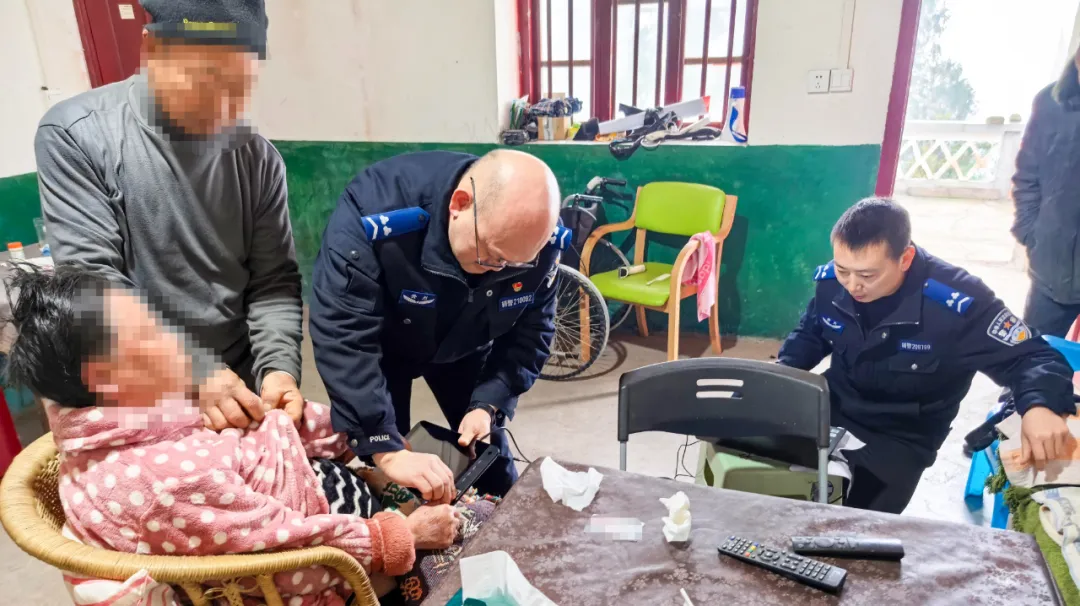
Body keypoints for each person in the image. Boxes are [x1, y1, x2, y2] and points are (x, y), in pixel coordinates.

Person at [2, 264, 462, 604]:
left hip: (335, 489)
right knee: (472, 530)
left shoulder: (134, 411)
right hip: (338, 565)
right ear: (106, 374)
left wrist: (370, 444)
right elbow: (290, 551)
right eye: (151, 329)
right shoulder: (162, 484)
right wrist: (401, 536)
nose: (174, 332)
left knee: (433, 472)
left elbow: (260, 434)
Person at [34, 0, 302, 433]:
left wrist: (278, 369)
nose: (220, 104)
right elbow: (93, 283)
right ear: (151, 49)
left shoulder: (258, 159)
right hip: (135, 391)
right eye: (202, 78)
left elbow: (273, 284)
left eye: (238, 84)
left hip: (235, 384)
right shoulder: (78, 135)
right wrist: (195, 370)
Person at [778, 198, 1074, 514]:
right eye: (843, 270)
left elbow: (1033, 356)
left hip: (901, 434)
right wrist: (778, 374)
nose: (852, 285)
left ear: (905, 258)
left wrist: (1041, 406)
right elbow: (811, 334)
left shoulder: (958, 304)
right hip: (832, 407)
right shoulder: (832, 283)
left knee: (856, 520)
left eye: (867, 275)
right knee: (766, 482)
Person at [310, 150, 562, 503]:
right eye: (492, 256)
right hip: (384, 346)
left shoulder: (537, 237)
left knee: (490, 455)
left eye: (515, 264)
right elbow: (343, 334)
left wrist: (489, 403)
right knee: (393, 474)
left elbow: (532, 333)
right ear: (459, 204)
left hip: (466, 339)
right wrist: (385, 448)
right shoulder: (374, 211)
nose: (500, 270)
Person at [1012, 47, 1080, 337]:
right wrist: (1030, 232)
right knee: (1034, 352)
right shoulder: (1050, 103)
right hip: (1052, 268)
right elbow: (1027, 174)